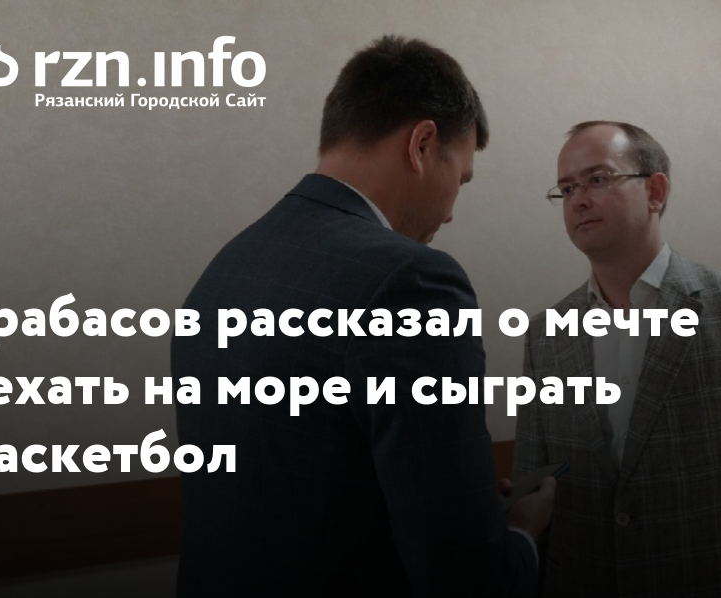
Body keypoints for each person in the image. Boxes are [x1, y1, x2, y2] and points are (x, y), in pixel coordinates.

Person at [172, 36, 555, 597]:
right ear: (422, 145)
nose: (451, 212)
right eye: (462, 178)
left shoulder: (228, 267)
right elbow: (468, 581)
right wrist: (520, 533)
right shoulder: (412, 282)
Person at [513, 121, 721, 597]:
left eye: (597, 179)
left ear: (656, 191)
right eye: (567, 188)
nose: (577, 200)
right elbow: (531, 485)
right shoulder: (545, 334)